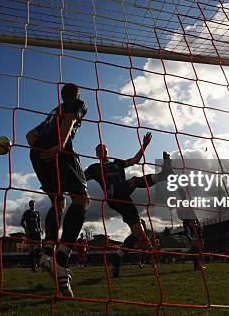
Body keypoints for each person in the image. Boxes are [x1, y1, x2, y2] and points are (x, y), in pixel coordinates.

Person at [26, 83, 89, 297]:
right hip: (58, 151)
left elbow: (29, 135)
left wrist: (40, 151)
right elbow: (71, 119)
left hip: (38, 155)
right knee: (81, 200)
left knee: (57, 201)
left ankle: (47, 253)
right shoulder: (78, 104)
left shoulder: (52, 113)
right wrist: (60, 146)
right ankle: (62, 259)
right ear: (77, 95)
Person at [84, 132, 173, 277]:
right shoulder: (94, 168)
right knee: (133, 181)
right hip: (113, 197)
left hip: (125, 198)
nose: (101, 152)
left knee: (138, 234)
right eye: (98, 151)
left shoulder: (117, 163)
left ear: (107, 152)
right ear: (96, 154)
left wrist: (144, 146)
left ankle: (117, 258)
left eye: (103, 150)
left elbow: (134, 161)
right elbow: (81, 177)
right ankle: (164, 174)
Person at [21, 200, 43, 272]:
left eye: (33, 204)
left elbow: (39, 222)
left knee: (40, 248)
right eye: (31, 204)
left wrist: (40, 229)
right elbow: (22, 221)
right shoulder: (26, 212)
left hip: (37, 233)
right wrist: (25, 228)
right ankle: (33, 266)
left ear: (35, 205)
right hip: (30, 233)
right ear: (29, 205)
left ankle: (34, 260)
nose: (32, 205)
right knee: (32, 249)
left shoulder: (37, 213)